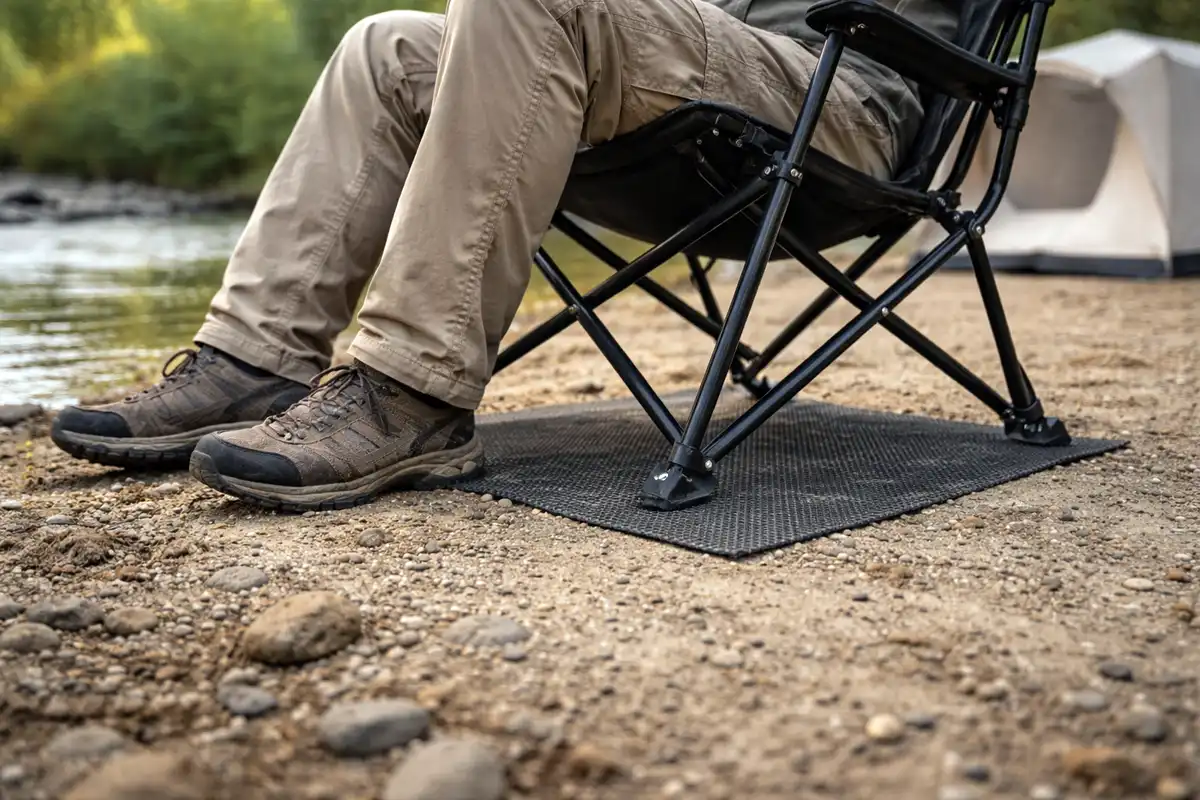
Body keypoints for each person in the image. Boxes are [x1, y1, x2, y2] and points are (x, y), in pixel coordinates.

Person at [50, 0, 960, 510]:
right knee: (385, 46)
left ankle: (412, 390)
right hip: (709, 91)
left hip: (843, 96)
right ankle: (254, 359)